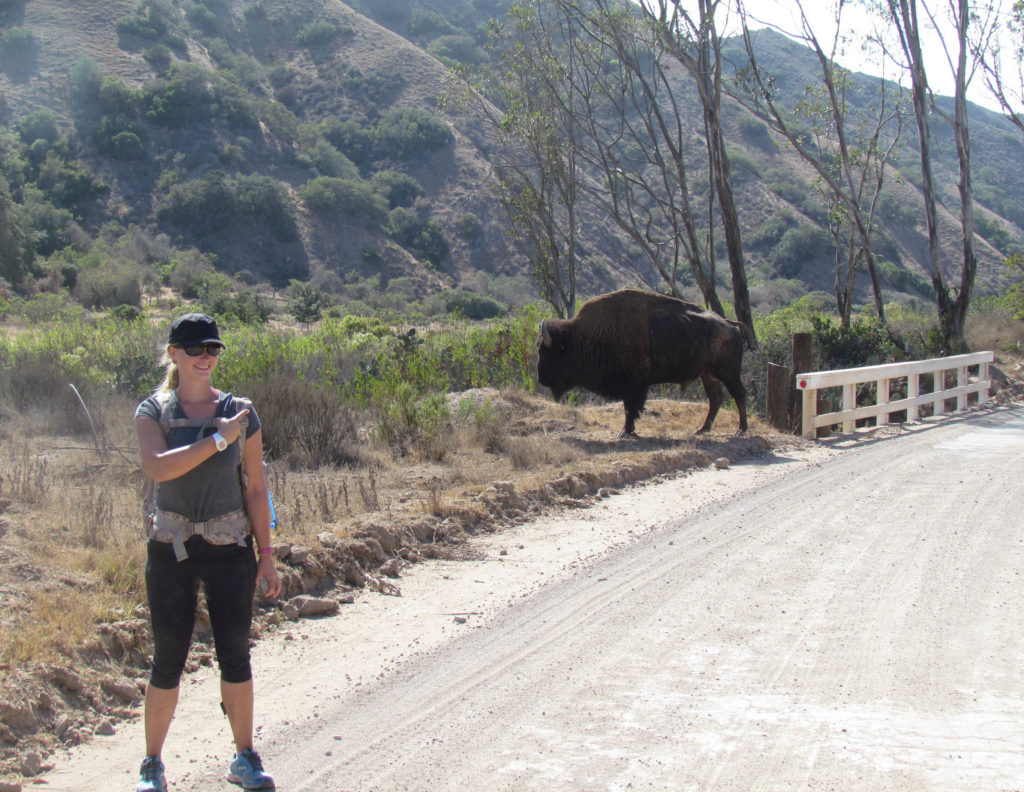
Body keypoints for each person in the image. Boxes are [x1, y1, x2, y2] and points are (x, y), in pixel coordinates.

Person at [133, 313, 281, 792]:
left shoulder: (242, 412)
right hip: (170, 550)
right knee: (167, 658)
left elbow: (256, 489)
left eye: (212, 349)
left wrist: (267, 553)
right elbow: (158, 469)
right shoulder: (153, 411)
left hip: (229, 548)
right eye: (195, 349)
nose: (205, 358)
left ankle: (245, 757)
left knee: (235, 655)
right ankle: (152, 765)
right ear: (174, 353)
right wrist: (218, 438)